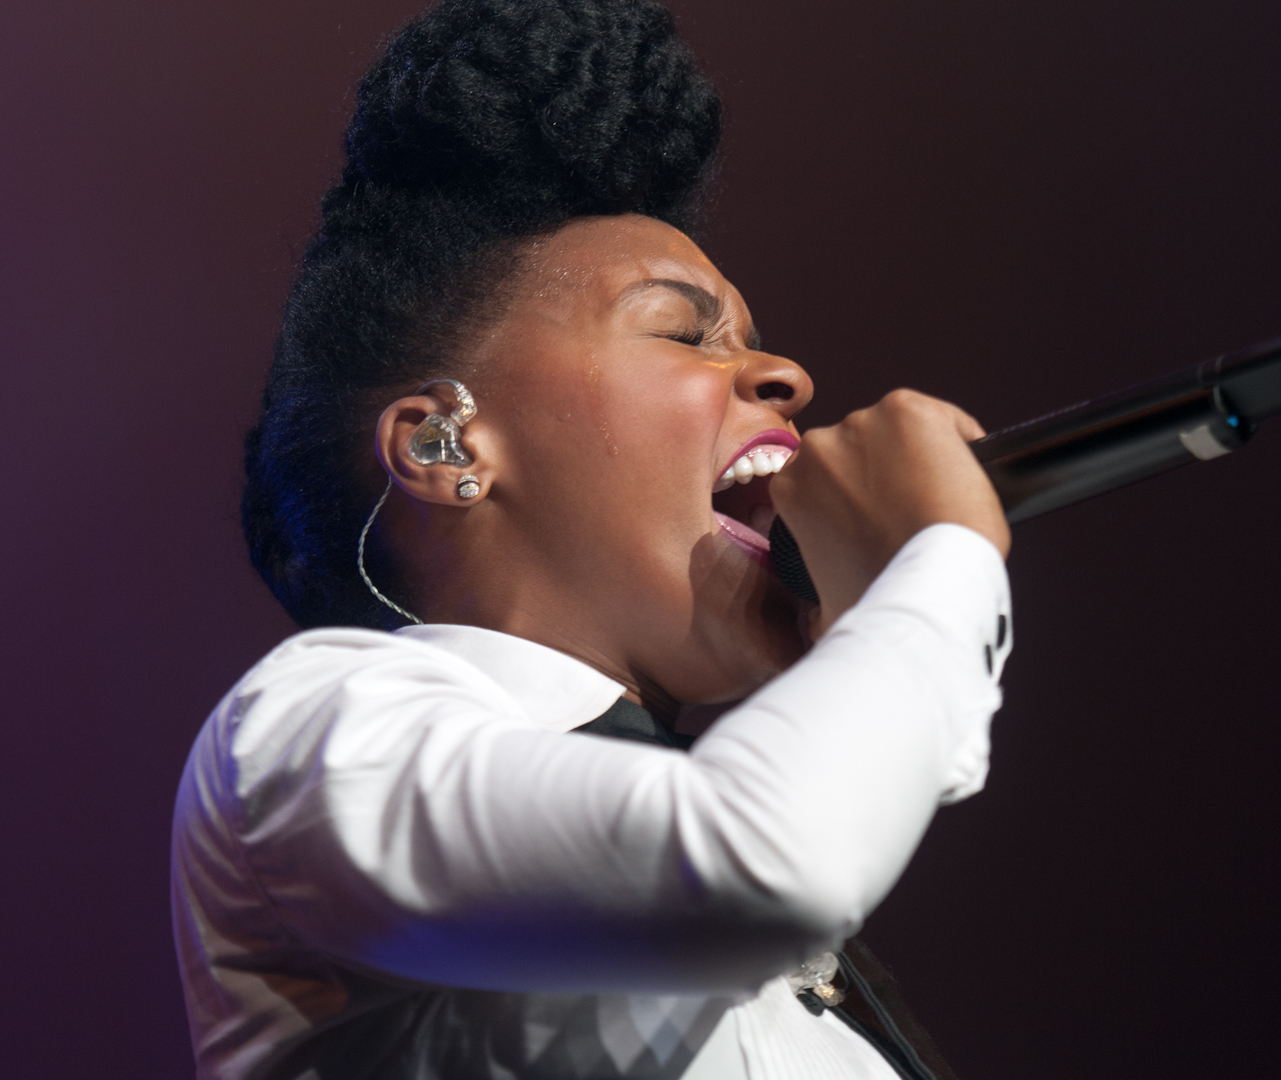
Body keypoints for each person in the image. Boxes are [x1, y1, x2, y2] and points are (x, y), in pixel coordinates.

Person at [170, 1, 1013, 1077]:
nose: (786, 378)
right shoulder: (303, 730)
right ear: (443, 443)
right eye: (680, 330)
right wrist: (938, 566)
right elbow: (759, 862)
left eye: (749, 343)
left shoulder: (717, 869)